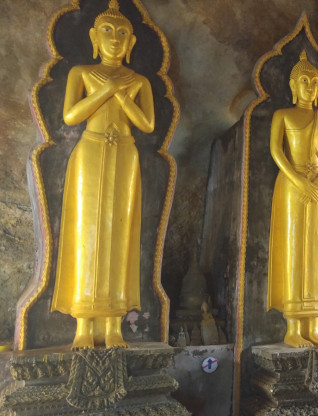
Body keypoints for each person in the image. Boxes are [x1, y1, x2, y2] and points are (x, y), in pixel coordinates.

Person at [52, 0, 154, 350]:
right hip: (91, 151)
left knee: (119, 233)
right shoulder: (81, 73)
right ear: (94, 37)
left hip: (125, 153)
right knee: (87, 232)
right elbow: (70, 117)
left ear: (131, 43)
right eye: (107, 31)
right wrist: (108, 90)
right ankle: (83, 325)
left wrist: (121, 96)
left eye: (122, 33)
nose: (114, 38)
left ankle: (113, 325)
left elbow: (146, 124)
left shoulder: (138, 81)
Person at [267, 50, 318, 348]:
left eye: (315, 82)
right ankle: (294, 327)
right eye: (304, 81)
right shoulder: (282, 115)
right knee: (294, 247)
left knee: (315, 249)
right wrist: (298, 180)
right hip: (292, 185)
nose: (310, 86)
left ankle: (314, 326)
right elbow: (276, 151)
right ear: (293, 86)